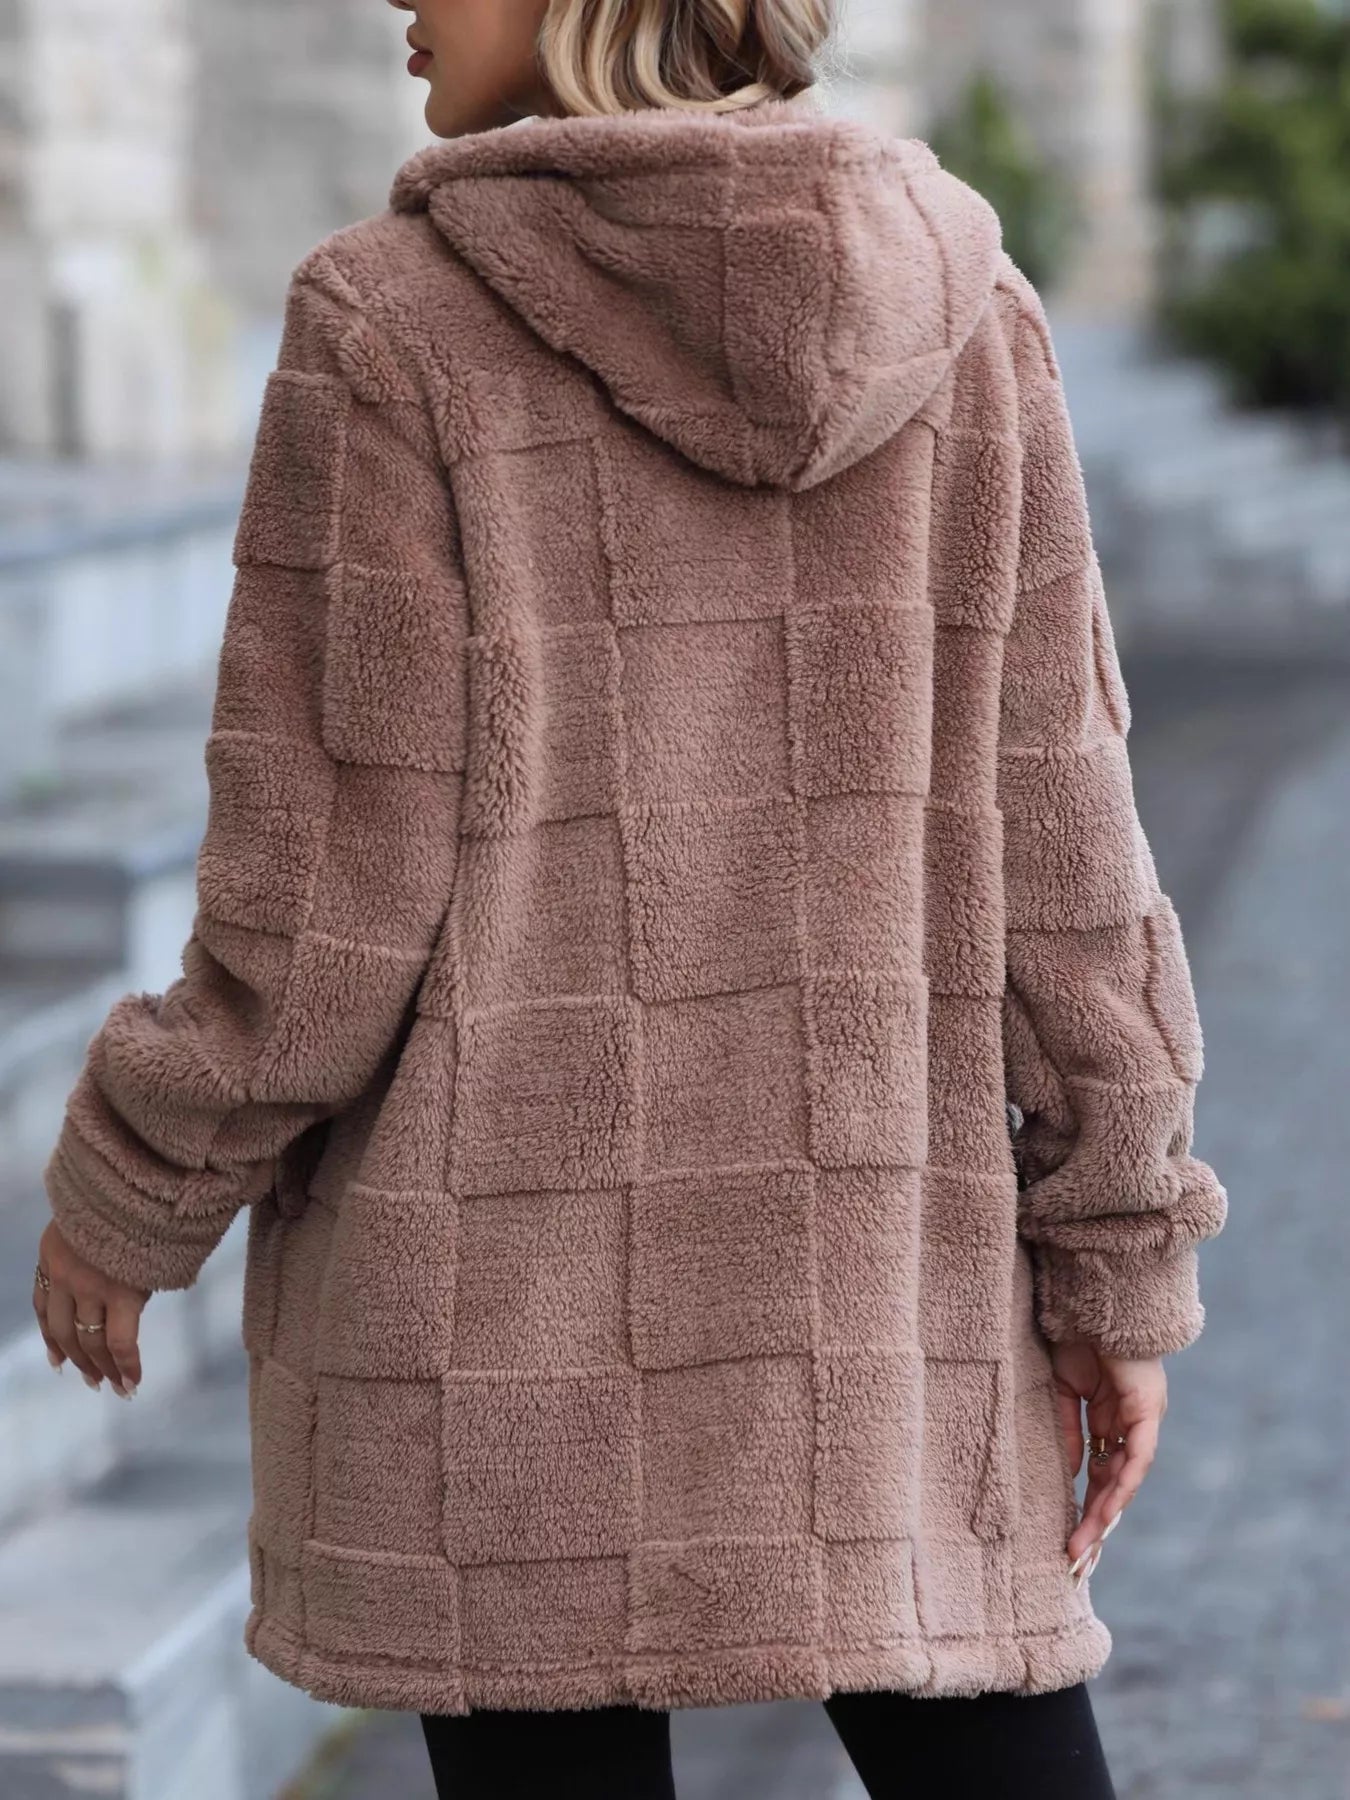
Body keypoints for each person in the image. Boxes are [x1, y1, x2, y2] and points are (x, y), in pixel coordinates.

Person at [31, 1, 1229, 1795]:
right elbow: (1069, 854)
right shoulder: (969, 314)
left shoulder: (389, 322)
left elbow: (325, 895)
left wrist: (136, 1179)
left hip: (491, 1312)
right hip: (874, 1286)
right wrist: (1115, 1255)